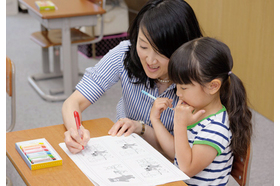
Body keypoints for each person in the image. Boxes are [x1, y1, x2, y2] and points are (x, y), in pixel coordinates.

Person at [62, 0, 203, 154]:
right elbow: (73, 102)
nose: (150, 60)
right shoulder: (125, 53)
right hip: (125, 150)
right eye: (143, 46)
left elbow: (186, 155)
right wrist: (74, 131)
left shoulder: (198, 81)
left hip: (170, 164)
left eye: (161, 52)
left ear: (183, 48)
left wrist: (141, 128)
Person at [150, 37, 252, 185]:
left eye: (184, 87)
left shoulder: (217, 128)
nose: (178, 93)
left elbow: (186, 169)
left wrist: (180, 125)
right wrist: (156, 120)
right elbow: (177, 154)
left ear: (213, 86)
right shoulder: (195, 110)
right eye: (177, 85)